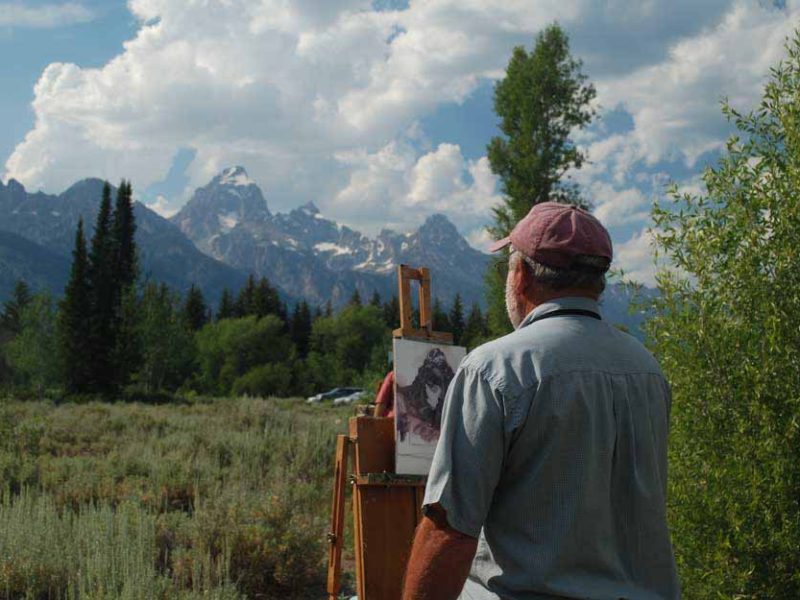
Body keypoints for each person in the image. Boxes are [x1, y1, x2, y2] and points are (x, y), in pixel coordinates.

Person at [403, 202, 680, 600]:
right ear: (596, 284)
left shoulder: (495, 367)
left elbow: (450, 526)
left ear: (522, 276)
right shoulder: (647, 369)